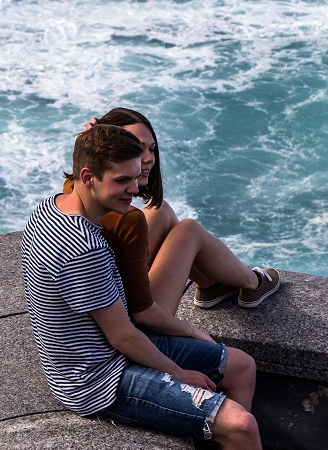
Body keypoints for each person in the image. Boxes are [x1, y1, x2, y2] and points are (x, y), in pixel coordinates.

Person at [24, 123, 328, 450]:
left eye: (137, 178)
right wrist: (179, 372)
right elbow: (123, 337)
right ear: (87, 176)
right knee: (238, 424)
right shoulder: (81, 246)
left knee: (240, 365)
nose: (134, 190)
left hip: (103, 348)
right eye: (122, 181)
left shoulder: (50, 208)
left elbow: (122, 326)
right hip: (99, 378)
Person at [65, 107, 280, 319]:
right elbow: (139, 310)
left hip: (108, 303)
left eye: (152, 149)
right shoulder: (125, 218)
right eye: (137, 149)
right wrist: (191, 334)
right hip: (130, 322)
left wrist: (88, 146)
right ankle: (254, 282)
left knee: (160, 211)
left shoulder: (74, 193)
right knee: (188, 230)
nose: (148, 158)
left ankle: (210, 285)